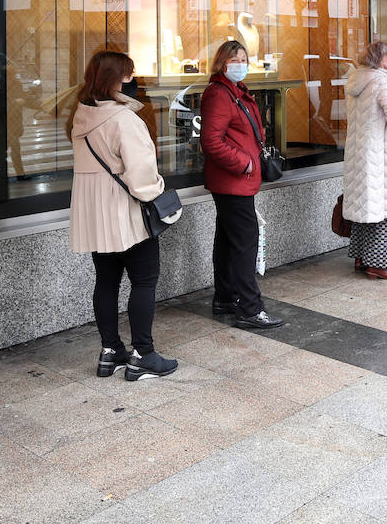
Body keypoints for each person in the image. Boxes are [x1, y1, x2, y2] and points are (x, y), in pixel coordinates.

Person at [69, 50, 178, 381]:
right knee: (144, 280)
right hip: (127, 213)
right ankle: (143, 355)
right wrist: (159, 193)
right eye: (129, 75)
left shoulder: (81, 114)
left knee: (106, 281)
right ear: (115, 80)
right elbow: (142, 176)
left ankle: (110, 351)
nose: (134, 81)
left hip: (95, 213)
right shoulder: (124, 120)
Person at [199, 40, 284, 329]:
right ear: (223, 63)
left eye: (245, 59)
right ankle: (249, 307)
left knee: (227, 240)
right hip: (233, 179)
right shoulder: (219, 95)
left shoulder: (235, 93)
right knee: (245, 242)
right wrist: (244, 163)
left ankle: (225, 297)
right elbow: (211, 141)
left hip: (237, 181)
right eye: (235, 60)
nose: (242, 65)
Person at [342, 41, 387, 278]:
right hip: (377, 149)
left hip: (357, 149)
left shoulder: (355, 80)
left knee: (365, 203)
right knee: (384, 205)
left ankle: (361, 257)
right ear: (380, 61)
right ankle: (379, 264)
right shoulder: (381, 80)